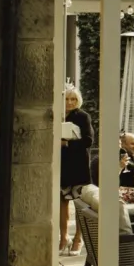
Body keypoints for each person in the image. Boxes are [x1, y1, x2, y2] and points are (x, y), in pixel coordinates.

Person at [59, 84, 93, 256]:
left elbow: (89, 140)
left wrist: (67, 143)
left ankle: (79, 238)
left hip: (78, 165)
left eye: (73, 99)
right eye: (66, 99)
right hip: (61, 164)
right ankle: (64, 237)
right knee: (62, 201)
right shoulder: (57, 115)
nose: (70, 102)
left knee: (79, 201)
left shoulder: (83, 116)